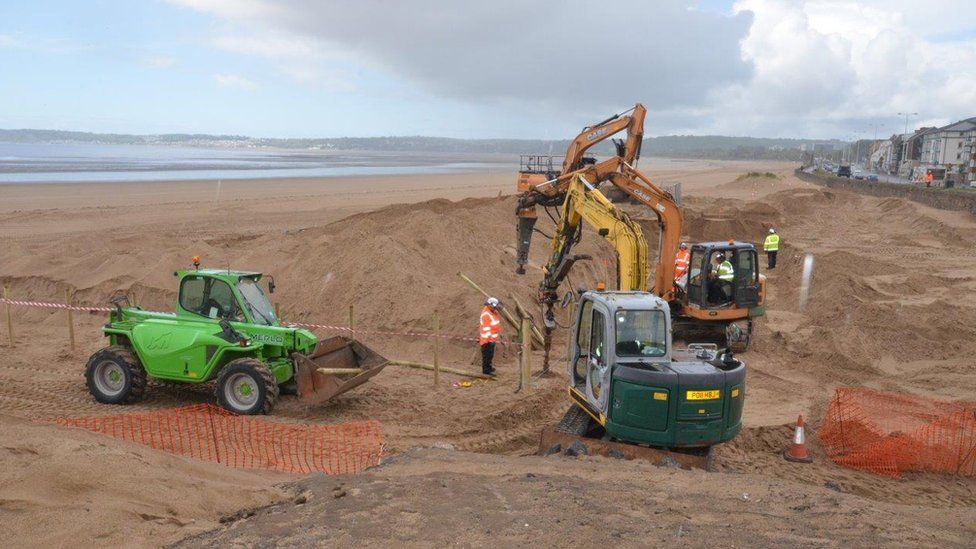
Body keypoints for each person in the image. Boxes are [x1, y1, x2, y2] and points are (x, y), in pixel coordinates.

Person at [479, 297, 503, 375]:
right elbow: (486, 329)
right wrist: (490, 339)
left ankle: (489, 367)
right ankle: (486, 370)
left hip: (492, 339)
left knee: (490, 355)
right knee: (487, 355)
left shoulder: (493, 313)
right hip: (487, 340)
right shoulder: (486, 314)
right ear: (490, 305)